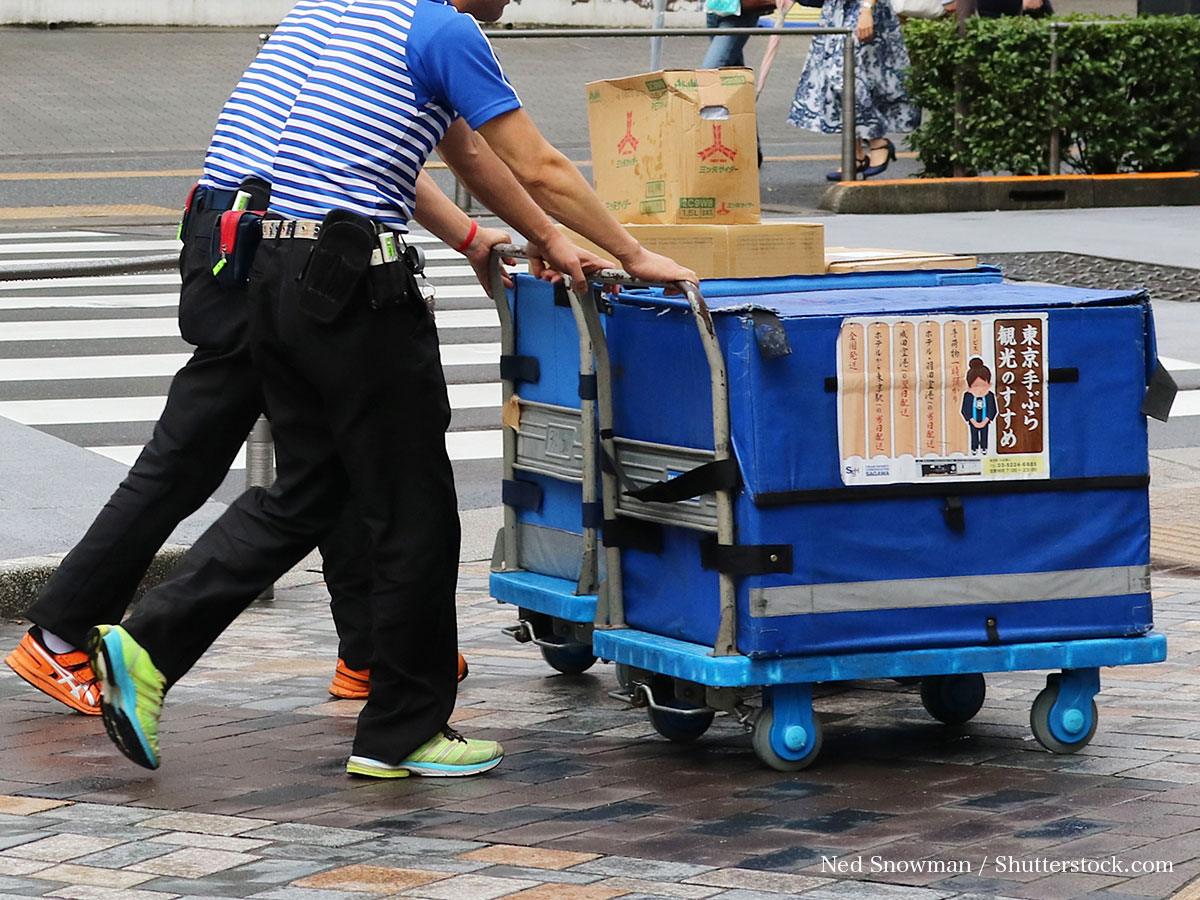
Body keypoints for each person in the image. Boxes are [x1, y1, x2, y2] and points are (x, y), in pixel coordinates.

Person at [86, 0, 697, 781]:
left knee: (305, 487)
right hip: (354, 286)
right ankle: (403, 728)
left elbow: (471, 159)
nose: (507, 4)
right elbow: (537, 163)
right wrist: (632, 251)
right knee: (414, 508)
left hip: (268, 273)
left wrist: (542, 239)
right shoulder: (443, 30)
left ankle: (147, 645)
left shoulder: (328, 16)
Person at [2, 0, 488, 718]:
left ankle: (372, 650)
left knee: (323, 451)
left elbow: (384, 159)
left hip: (241, 234)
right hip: (260, 242)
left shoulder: (331, 19)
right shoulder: (391, 27)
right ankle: (62, 633)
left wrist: (471, 239)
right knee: (193, 452)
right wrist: (477, 239)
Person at [787, 0, 920, 180]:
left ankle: (877, 140)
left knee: (844, 76)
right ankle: (855, 153)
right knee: (838, 79)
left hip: (864, 9)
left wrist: (866, 9)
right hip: (836, 11)